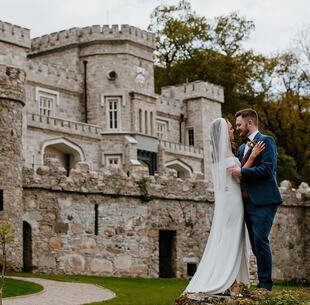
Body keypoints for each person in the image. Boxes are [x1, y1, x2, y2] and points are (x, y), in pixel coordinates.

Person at [184, 118, 264, 295]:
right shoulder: (225, 155)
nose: (232, 132)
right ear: (222, 133)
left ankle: (231, 281)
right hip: (232, 203)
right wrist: (252, 157)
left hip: (230, 200)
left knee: (231, 239)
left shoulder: (220, 154)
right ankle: (230, 282)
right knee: (231, 240)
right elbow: (239, 177)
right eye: (229, 129)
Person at [230, 108, 282, 291]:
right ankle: (261, 282)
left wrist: (242, 171)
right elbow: (240, 174)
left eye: (239, 125)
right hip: (246, 203)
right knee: (255, 243)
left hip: (265, 201)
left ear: (249, 123)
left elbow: (267, 170)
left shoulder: (267, 141)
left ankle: (265, 285)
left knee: (261, 239)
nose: (237, 128)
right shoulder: (243, 148)